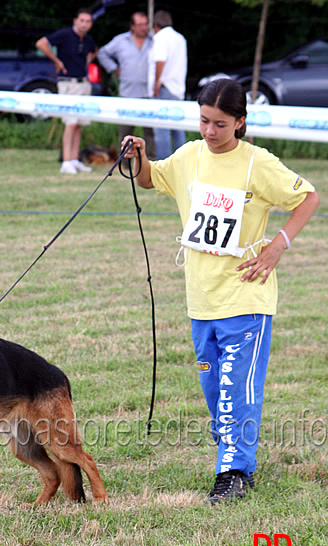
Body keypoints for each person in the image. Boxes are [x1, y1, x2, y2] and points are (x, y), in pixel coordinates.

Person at [122, 78, 320, 504]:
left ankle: (234, 473)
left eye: (220, 124)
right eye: (204, 121)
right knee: (215, 390)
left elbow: (308, 198)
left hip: (247, 296)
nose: (210, 132)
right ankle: (232, 444)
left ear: (240, 122)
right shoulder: (190, 155)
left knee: (236, 389)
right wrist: (138, 155)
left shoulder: (257, 164)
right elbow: (150, 179)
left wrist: (276, 246)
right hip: (202, 298)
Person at [36, 9, 97, 175]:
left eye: (88, 21)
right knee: (70, 123)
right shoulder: (64, 35)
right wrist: (56, 61)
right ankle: (66, 161)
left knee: (78, 124)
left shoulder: (87, 40)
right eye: (82, 20)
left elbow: (94, 50)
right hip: (68, 84)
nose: (85, 24)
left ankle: (75, 159)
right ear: (75, 20)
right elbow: (41, 43)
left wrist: (87, 61)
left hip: (83, 83)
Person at [97, 12, 155, 160]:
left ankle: (151, 163)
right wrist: (114, 68)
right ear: (132, 26)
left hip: (149, 93)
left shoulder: (154, 40)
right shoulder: (121, 41)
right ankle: (124, 163)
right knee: (126, 131)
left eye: (145, 24)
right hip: (127, 93)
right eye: (140, 25)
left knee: (150, 132)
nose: (144, 28)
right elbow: (102, 53)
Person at [149, 10, 187, 160]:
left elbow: (160, 60)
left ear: (156, 26)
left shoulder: (160, 38)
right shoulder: (180, 38)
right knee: (178, 129)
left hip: (164, 88)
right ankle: (181, 163)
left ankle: (164, 165)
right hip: (178, 88)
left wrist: (157, 82)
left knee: (162, 130)